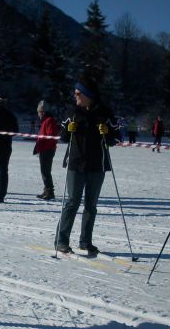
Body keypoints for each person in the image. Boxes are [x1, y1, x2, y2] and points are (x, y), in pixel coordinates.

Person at [54, 75, 117, 255]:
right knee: (72, 202)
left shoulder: (105, 113)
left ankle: (85, 241)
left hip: (97, 165)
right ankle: (61, 241)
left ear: (88, 95)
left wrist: (108, 134)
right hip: (76, 163)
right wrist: (67, 130)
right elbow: (63, 136)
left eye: (78, 94)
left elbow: (117, 137)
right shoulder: (73, 113)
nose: (75, 97)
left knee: (91, 205)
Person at [33, 100, 60, 200]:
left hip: (47, 150)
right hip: (44, 150)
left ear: (43, 112)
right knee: (44, 171)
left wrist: (43, 147)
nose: (38, 114)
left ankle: (50, 192)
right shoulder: (46, 121)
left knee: (46, 171)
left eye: (39, 112)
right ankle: (46, 190)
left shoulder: (49, 121)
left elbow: (50, 137)